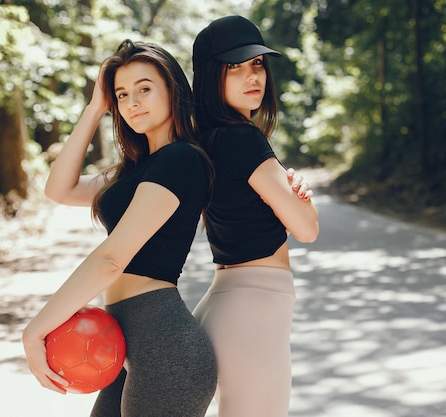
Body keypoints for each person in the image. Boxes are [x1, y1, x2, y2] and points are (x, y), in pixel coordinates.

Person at [22, 40, 217, 417]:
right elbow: (58, 189)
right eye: (122, 94)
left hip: (165, 348)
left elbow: (112, 259)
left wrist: (36, 329)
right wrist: (95, 107)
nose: (132, 102)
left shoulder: (180, 160)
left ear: (173, 90)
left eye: (144, 88)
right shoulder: (137, 169)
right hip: (124, 341)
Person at [190, 15, 320, 417]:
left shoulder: (202, 141)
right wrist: (302, 201)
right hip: (254, 310)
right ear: (211, 77)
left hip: (223, 302)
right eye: (235, 67)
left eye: (258, 64)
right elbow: (307, 228)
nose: (253, 76)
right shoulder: (243, 139)